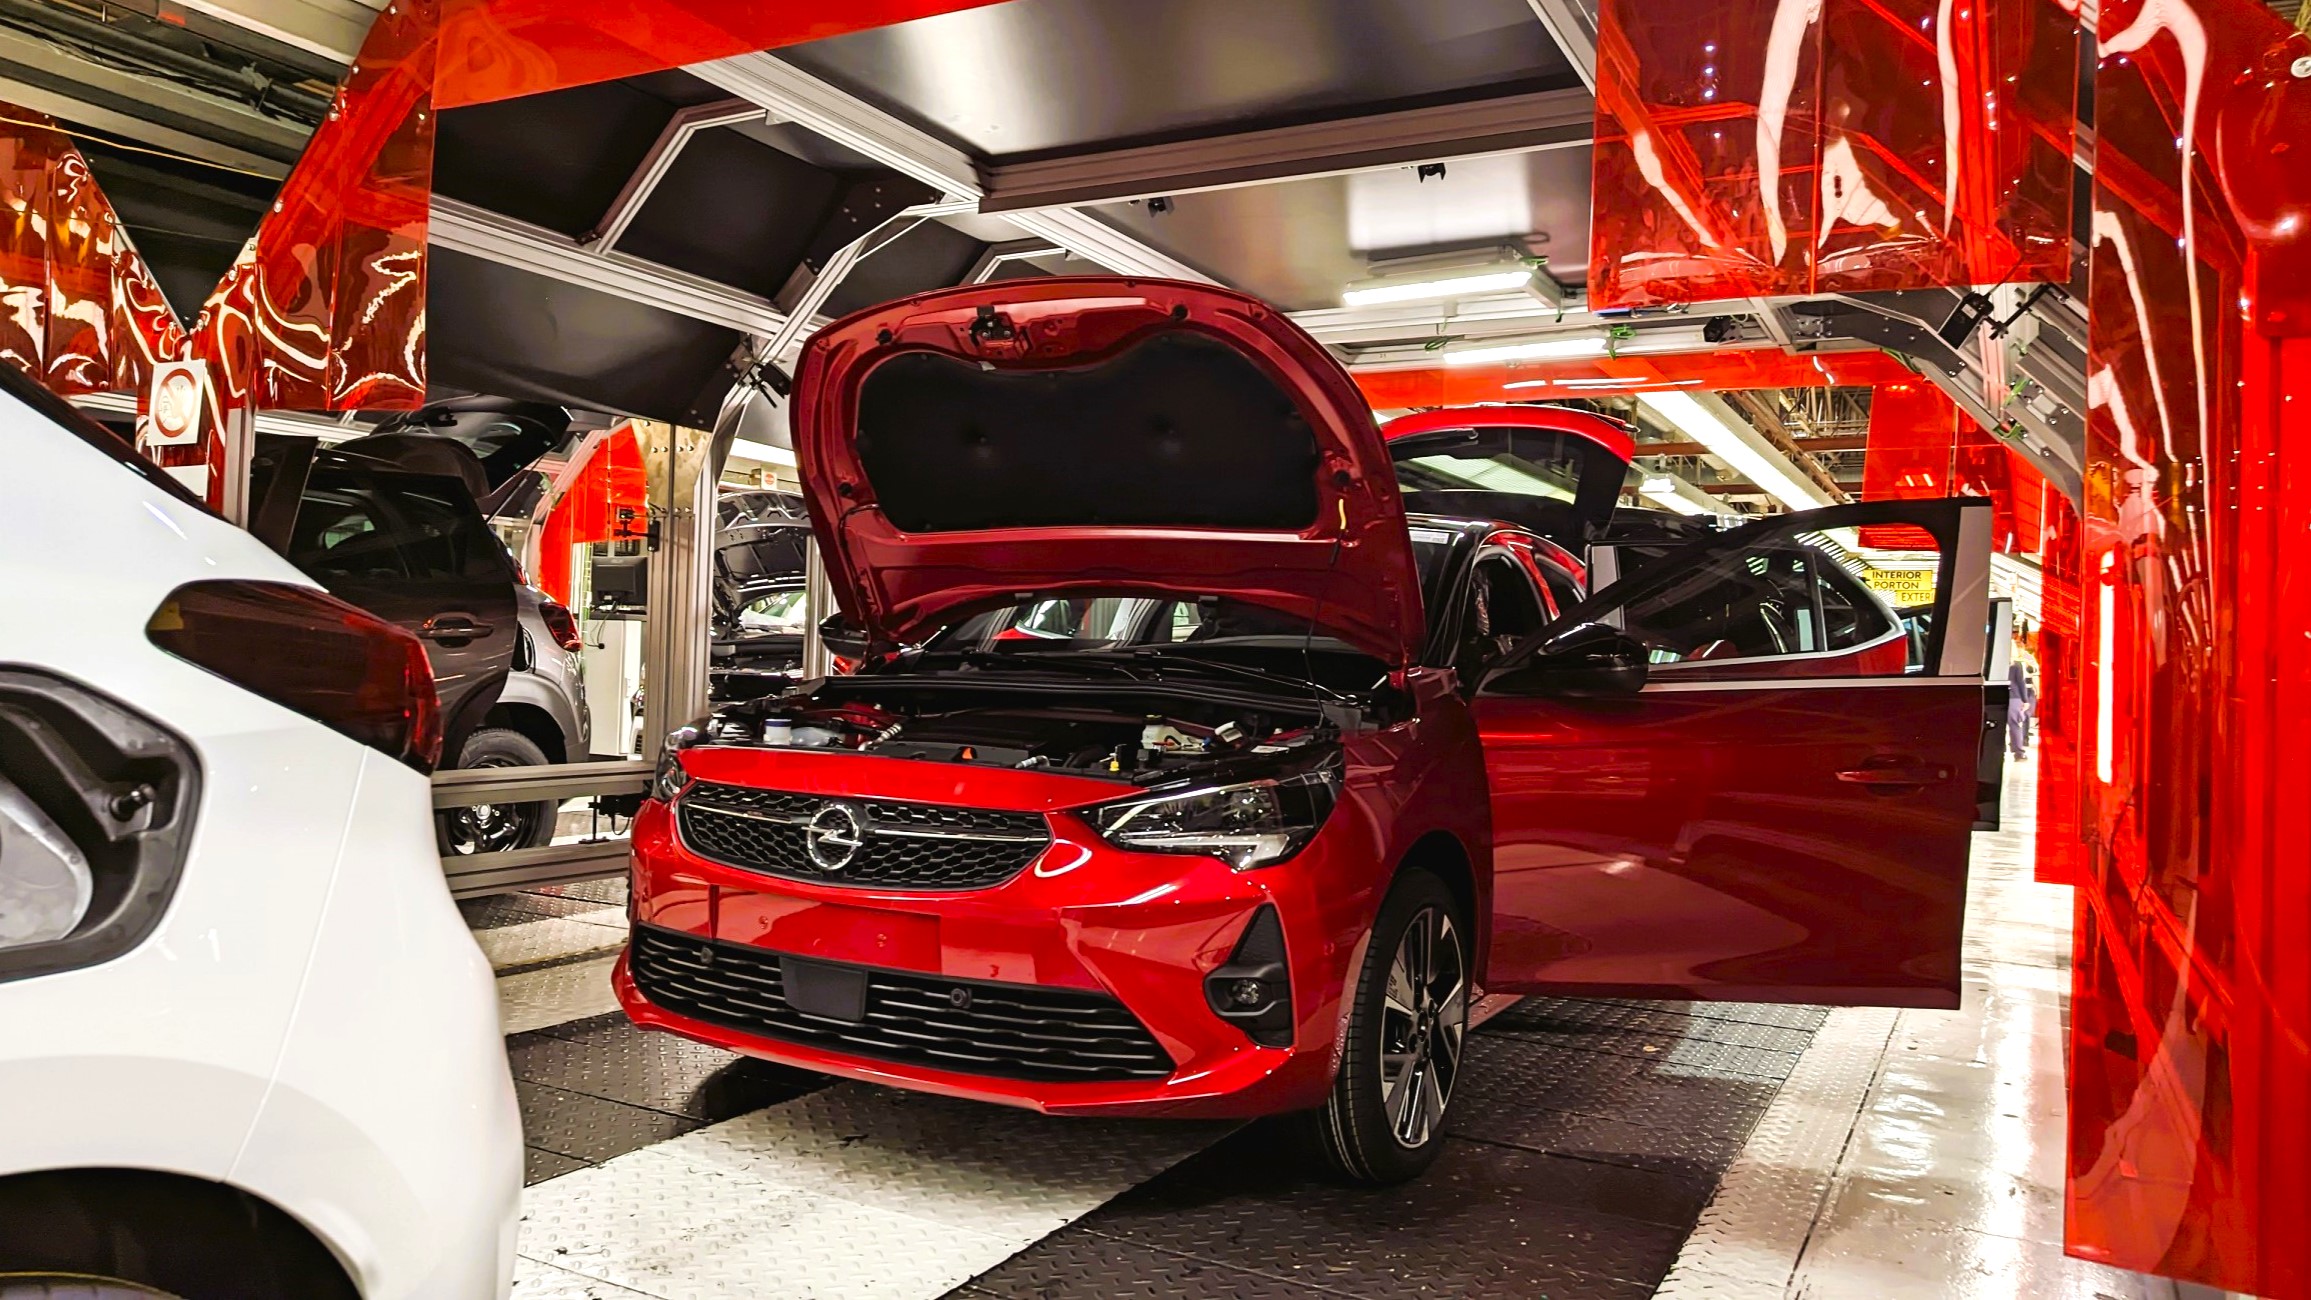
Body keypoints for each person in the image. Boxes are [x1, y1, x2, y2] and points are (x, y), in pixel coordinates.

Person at [2007, 657, 2037, 759]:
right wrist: (2025, 700)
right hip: (2014, 697)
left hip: (1996, 695)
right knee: (2015, 724)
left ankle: (1999, 750)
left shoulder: (1993, 660)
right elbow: (2020, 682)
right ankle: (2018, 752)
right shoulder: (2016, 664)